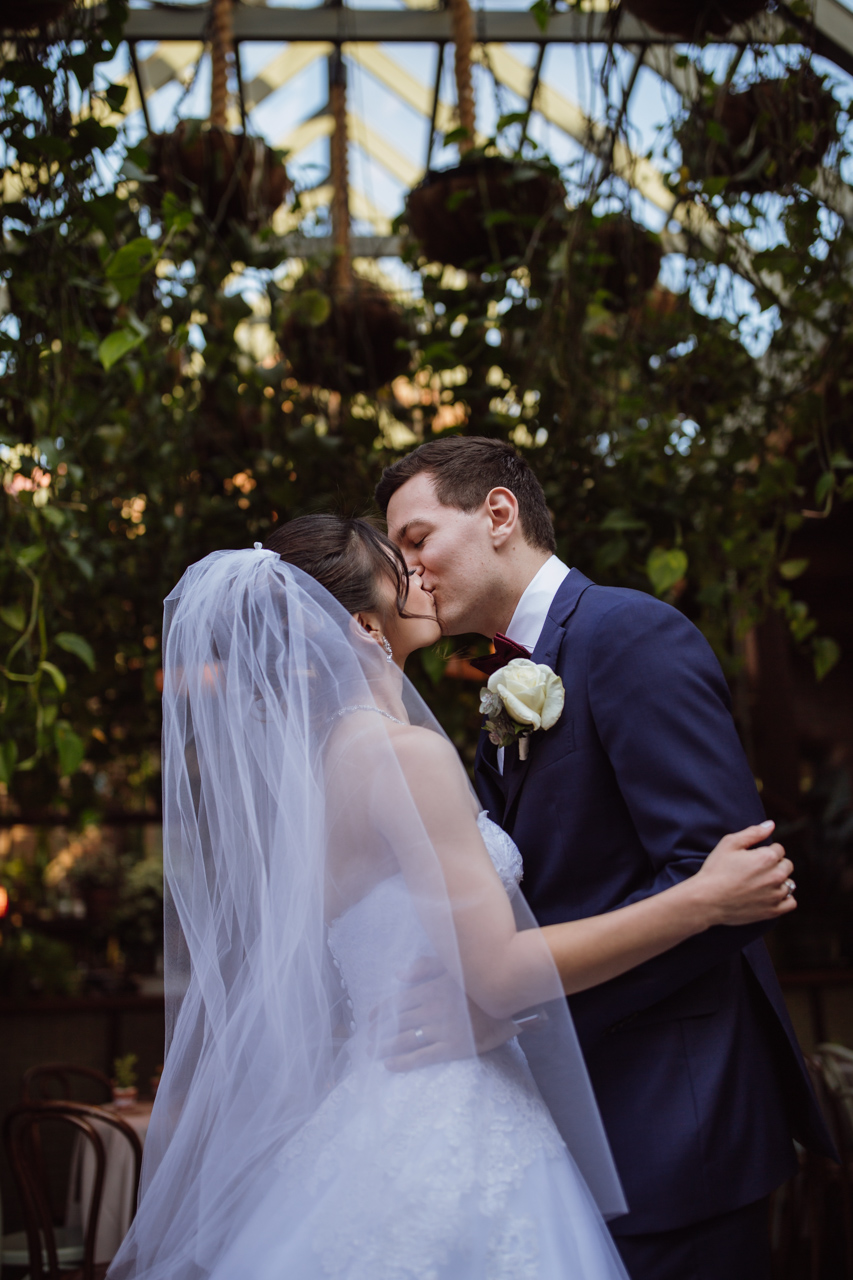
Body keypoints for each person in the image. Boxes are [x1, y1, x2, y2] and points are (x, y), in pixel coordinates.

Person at [109, 520, 797, 1280]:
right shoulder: (406, 755)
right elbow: (497, 973)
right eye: (395, 564)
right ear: (368, 627)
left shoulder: (319, 775)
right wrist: (702, 899)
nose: (417, 573)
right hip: (451, 1108)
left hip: (379, 1100)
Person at [375, 436, 836, 1280]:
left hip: (677, 1121)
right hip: (581, 1124)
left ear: (499, 515)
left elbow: (728, 887)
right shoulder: (501, 688)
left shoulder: (629, 635)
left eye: (416, 541)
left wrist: (514, 1012)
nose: (409, 575)